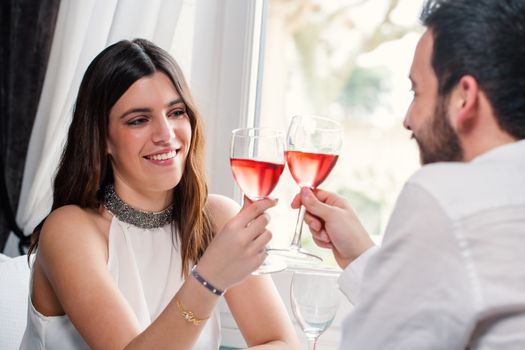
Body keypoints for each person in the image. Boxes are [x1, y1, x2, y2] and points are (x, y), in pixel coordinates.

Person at [20, 38, 299, 349]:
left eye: (176, 112)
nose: (166, 135)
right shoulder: (69, 230)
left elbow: (282, 344)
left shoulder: (216, 219)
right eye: (139, 120)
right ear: (103, 139)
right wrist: (210, 279)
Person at [292, 0, 525, 348]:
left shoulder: (446, 193)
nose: (407, 119)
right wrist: (362, 256)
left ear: (464, 98)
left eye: (417, 91)